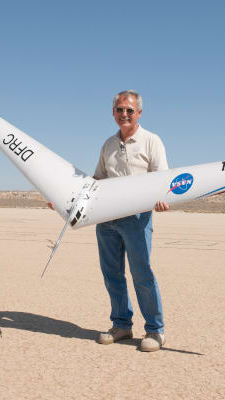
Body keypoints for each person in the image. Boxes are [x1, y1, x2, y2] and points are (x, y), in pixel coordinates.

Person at [93, 90, 169, 352]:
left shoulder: (151, 141)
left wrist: (162, 199)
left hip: (137, 219)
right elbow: (98, 179)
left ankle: (155, 331)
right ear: (113, 112)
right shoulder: (108, 144)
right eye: (119, 109)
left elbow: (162, 178)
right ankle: (121, 324)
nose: (124, 114)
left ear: (139, 113)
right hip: (106, 217)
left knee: (142, 274)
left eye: (129, 110)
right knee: (112, 274)